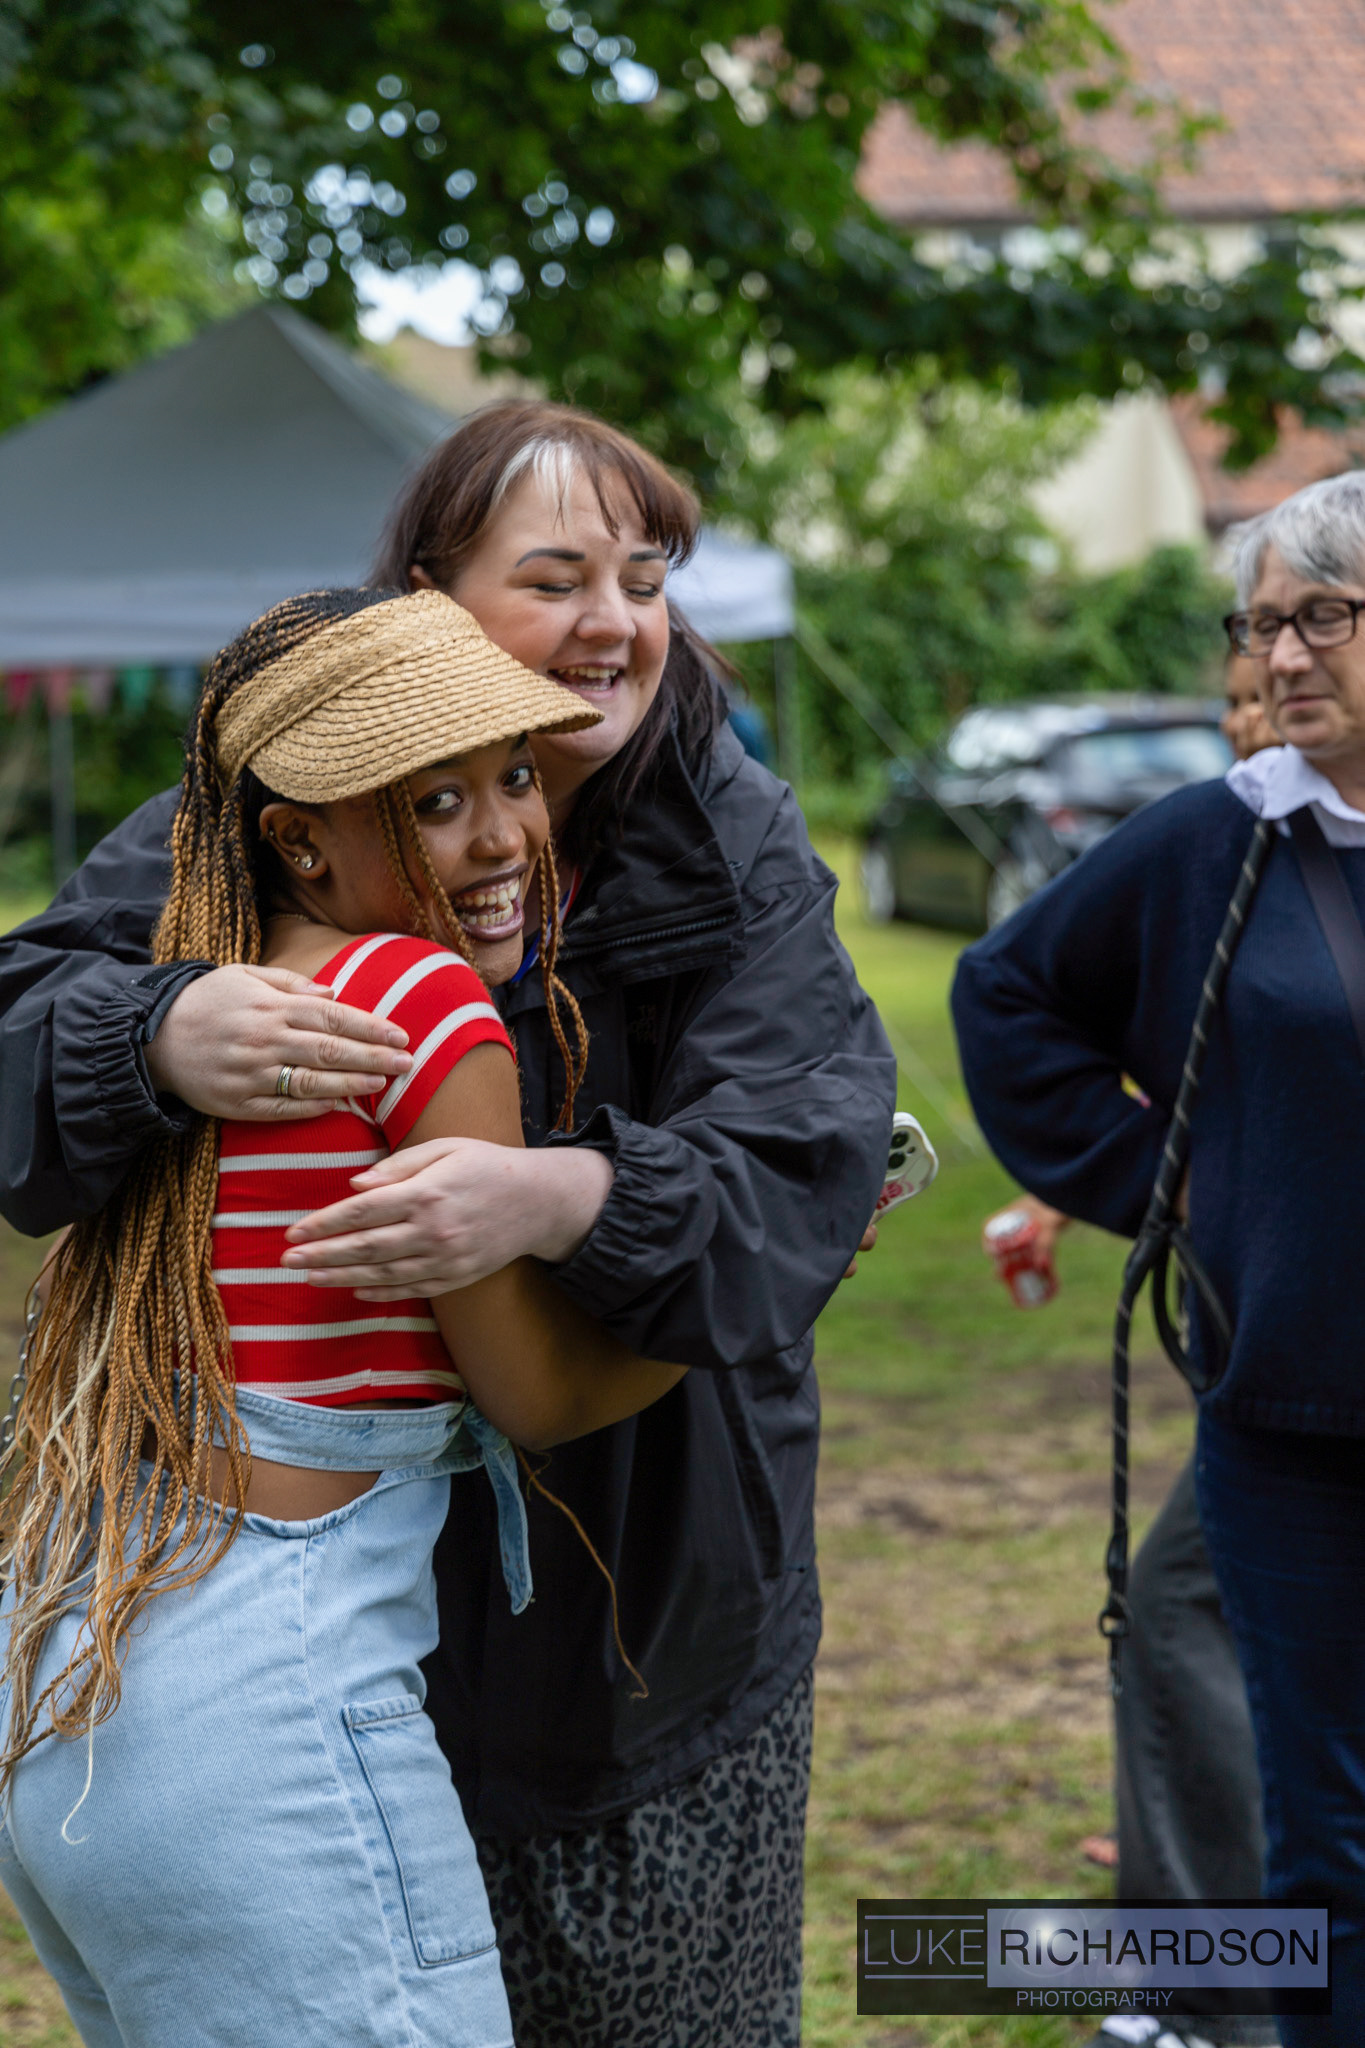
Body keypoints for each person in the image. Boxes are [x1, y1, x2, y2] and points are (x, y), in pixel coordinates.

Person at [0, 402, 896, 2045]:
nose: (614, 623)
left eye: (646, 578)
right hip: (294, 1638)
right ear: (429, 598)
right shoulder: (270, 796)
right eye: (555, 578)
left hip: (643, 1631)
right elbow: (24, 1025)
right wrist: (154, 1033)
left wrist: (569, 1191)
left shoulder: (730, 833)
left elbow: (797, 1158)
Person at [0, 584, 692, 2048]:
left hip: (67, 1681)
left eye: (516, 775)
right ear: (300, 839)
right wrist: (743, 1305)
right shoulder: (418, 1004)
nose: (503, 836)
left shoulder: (210, 1004)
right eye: (436, 801)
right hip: (265, 1701)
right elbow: (533, 1390)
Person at [952, 466, 1365, 2046]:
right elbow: (1005, 996)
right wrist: (1165, 1183)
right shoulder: (1218, 842)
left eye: (1323, 615)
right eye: (1260, 624)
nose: (1281, 653)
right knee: (1331, 1840)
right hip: (1291, 1430)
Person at [981, 1193, 1272, 2048]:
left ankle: (1208, 2013)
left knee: (1177, 1606)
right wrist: (1059, 1201)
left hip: (1305, 1347)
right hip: (1283, 1328)